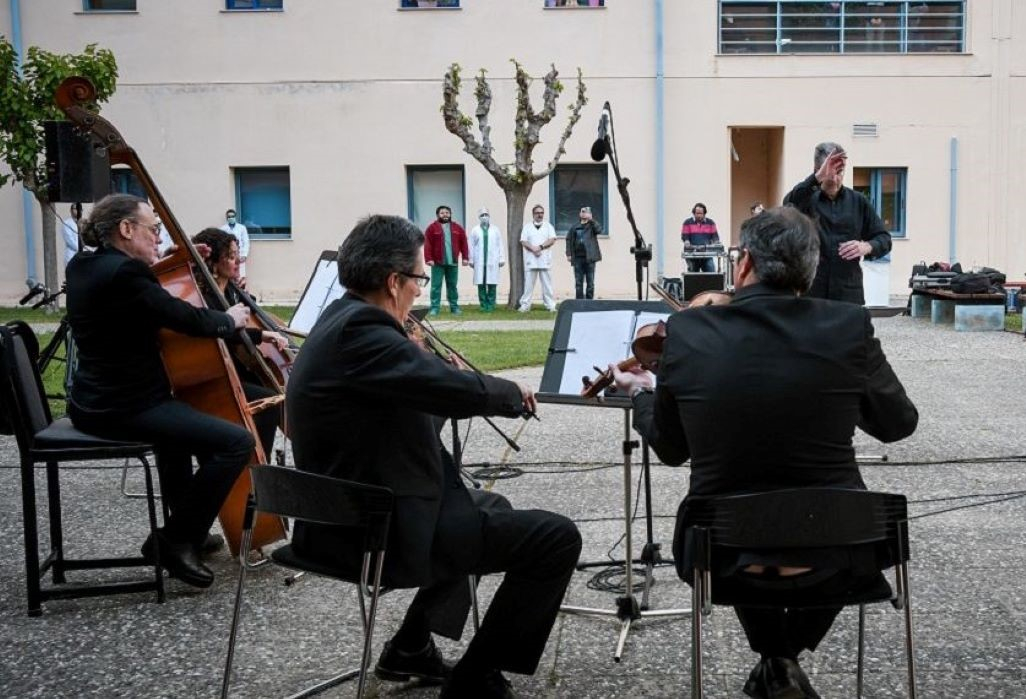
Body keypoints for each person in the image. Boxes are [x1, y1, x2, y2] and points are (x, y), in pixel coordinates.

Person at [613, 206, 918, 699]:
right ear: (812, 270)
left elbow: (670, 449)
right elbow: (898, 424)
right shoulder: (848, 327)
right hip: (841, 548)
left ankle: (776, 663)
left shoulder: (689, 333)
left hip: (723, 553)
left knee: (752, 519)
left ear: (744, 263)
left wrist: (642, 394)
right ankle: (782, 663)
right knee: (809, 527)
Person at [286, 215, 581, 699]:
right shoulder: (363, 331)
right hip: (375, 526)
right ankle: (476, 678)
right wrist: (507, 392)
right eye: (420, 279)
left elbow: (409, 412)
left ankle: (411, 646)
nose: (420, 291)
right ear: (393, 281)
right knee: (555, 538)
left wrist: (425, 368)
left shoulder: (337, 320)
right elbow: (444, 389)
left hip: (349, 509)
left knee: (491, 508)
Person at [65, 194, 257, 589]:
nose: (158, 236)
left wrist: (171, 257)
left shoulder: (85, 264)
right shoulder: (126, 275)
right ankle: (175, 540)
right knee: (235, 442)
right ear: (125, 229)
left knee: (177, 438)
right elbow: (181, 316)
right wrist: (228, 318)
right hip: (126, 406)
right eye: (153, 230)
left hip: (92, 401)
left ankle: (191, 532)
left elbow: (140, 292)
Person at [191, 227, 288, 458]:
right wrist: (262, 335)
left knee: (271, 393)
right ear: (213, 262)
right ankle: (255, 471)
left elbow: (245, 317)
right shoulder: (204, 297)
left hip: (234, 370)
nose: (236, 262)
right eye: (231, 257)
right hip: (214, 375)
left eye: (237, 256)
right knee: (269, 402)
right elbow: (224, 330)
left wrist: (246, 297)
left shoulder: (231, 291)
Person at [783, 142, 891, 304]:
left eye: (840, 172)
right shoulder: (805, 199)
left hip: (848, 292)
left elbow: (884, 238)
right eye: (830, 173)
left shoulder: (859, 201)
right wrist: (818, 177)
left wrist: (867, 247)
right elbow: (788, 204)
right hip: (812, 293)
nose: (835, 178)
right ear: (816, 170)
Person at [424, 205, 469, 315]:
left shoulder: (458, 228)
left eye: (447, 213)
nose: (445, 215)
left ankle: (454, 307)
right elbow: (427, 244)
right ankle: (434, 308)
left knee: (452, 286)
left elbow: (464, 244)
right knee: (436, 286)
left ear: (450, 214)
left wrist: (465, 258)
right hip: (437, 262)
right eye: (442, 213)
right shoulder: (432, 228)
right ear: (438, 215)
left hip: (453, 262)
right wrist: (428, 258)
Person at [518, 204, 557, 312]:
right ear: (533, 214)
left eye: (541, 213)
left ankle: (550, 305)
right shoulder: (527, 227)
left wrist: (540, 247)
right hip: (531, 259)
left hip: (544, 259)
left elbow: (552, 239)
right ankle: (525, 305)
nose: (540, 215)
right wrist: (533, 249)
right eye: (537, 213)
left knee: (547, 285)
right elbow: (523, 241)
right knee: (528, 285)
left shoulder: (548, 226)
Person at [468, 208, 505, 313]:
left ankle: (491, 304)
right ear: (479, 217)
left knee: (492, 283)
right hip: (479, 261)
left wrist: (501, 258)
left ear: (489, 216)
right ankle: (483, 304)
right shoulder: (475, 230)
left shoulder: (495, 229)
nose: (485, 217)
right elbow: (471, 245)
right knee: (481, 283)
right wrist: (471, 259)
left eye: (486, 214)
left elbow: (500, 244)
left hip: (493, 260)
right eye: (482, 215)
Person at [564, 205, 603, 300]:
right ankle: (579, 301)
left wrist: (592, 220)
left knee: (590, 282)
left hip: (590, 258)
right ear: (579, 213)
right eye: (582, 211)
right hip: (577, 258)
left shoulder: (592, 225)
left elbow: (599, 230)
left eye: (586, 212)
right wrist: (569, 254)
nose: (584, 213)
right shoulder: (575, 227)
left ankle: (589, 301)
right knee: (578, 282)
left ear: (590, 214)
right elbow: (568, 240)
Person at [681, 202, 720, 273]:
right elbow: (685, 236)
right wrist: (687, 241)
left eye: (700, 213)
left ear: (704, 213)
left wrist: (716, 242)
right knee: (693, 275)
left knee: (711, 270)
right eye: (697, 213)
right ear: (694, 213)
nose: (698, 215)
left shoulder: (711, 223)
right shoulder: (687, 222)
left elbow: (715, 236)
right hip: (692, 254)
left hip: (706, 254)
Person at [219, 208, 250, 288]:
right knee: (230, 275)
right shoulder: (222, 229)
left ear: (235, 217)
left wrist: (244, 255)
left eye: (232, 216)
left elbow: (246, 242)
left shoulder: (242, 228)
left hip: (240, 255)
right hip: (229, 256)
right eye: (229, 217)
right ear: (227, 218)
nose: (231, 218)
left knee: (241, 277)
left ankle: (242, 294)